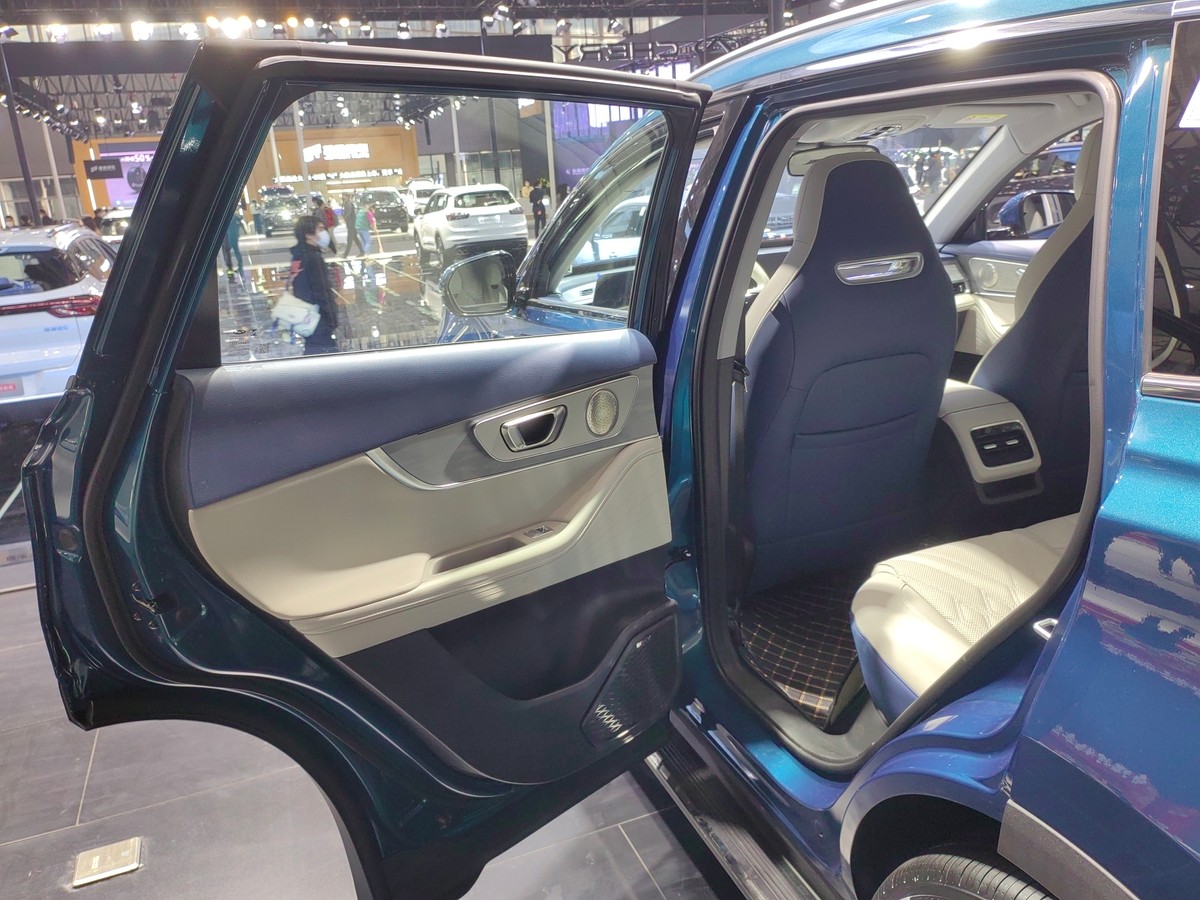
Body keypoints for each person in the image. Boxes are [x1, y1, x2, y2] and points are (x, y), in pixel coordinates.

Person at [288, 215, 338, 355]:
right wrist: (330, 317)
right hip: (318, 318)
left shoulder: (298, 256)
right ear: (308, 234)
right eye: (320, 229)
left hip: (305, 316)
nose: (324, 233)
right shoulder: (313, 258)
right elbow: (321, 291)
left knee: (313, 352)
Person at [222, 211, 245, 283]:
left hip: (229, 238)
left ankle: (231, 273)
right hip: (232, 238)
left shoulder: (230, 218)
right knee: (234, 251)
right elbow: (239, 226)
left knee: (227, 254)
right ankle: (239, 265)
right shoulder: (235, 218)